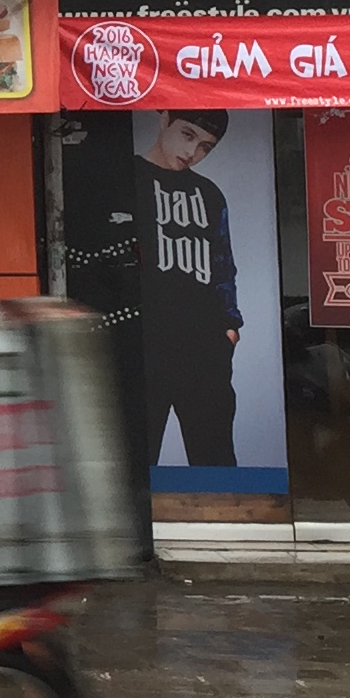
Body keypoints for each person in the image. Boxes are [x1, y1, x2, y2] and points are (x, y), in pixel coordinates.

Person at [129, 109, 243, 485]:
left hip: (204, 348)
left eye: (206, 147)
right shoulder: (127, 178)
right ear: (163, 120)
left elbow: (223, 265)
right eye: (188, 135)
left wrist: (229, 326)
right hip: (146, 345)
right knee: (137, 458)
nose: (193, 152)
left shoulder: (208, 194)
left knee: (215, 458)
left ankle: (225, 520)